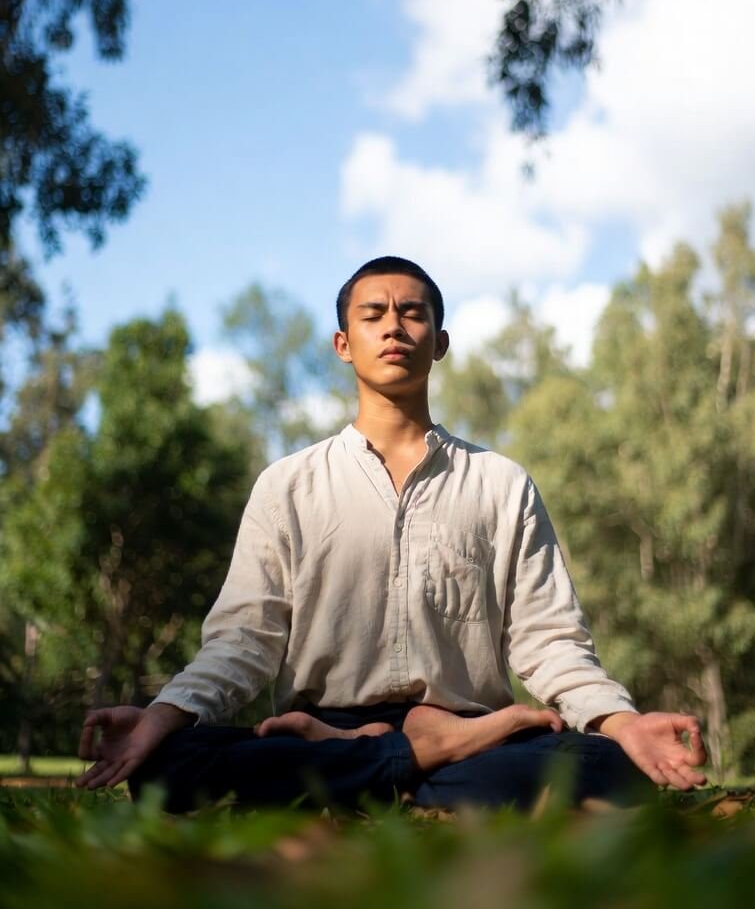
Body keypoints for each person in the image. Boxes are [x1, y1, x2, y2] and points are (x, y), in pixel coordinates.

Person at [76, 257, 707, 812]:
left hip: (470, 730)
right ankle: (406, 757)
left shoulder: (500, 482)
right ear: (344, 343)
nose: (394, 326)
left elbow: (552, 641)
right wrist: (162, 718)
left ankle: (395, 757)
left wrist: (622, 723)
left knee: (610, 765)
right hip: (324, 725)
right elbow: (244, 640)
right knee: (166, 764)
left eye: (412, 313)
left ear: (440, 341)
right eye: (373, 314)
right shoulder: (288, 485)